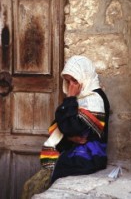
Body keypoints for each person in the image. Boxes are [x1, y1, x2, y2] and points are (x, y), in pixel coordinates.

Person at [21, 55, 110, 199]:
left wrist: (69, 99)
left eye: (75, 80)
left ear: (85, 77)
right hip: (76, 151)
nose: (71, 86)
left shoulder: (95, 100)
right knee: (32, 186)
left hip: (91, 156)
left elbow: (71, 128)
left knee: (59, 171)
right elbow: (64, 122)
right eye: (68, 81)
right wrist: (70, 135)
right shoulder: (79, 99)